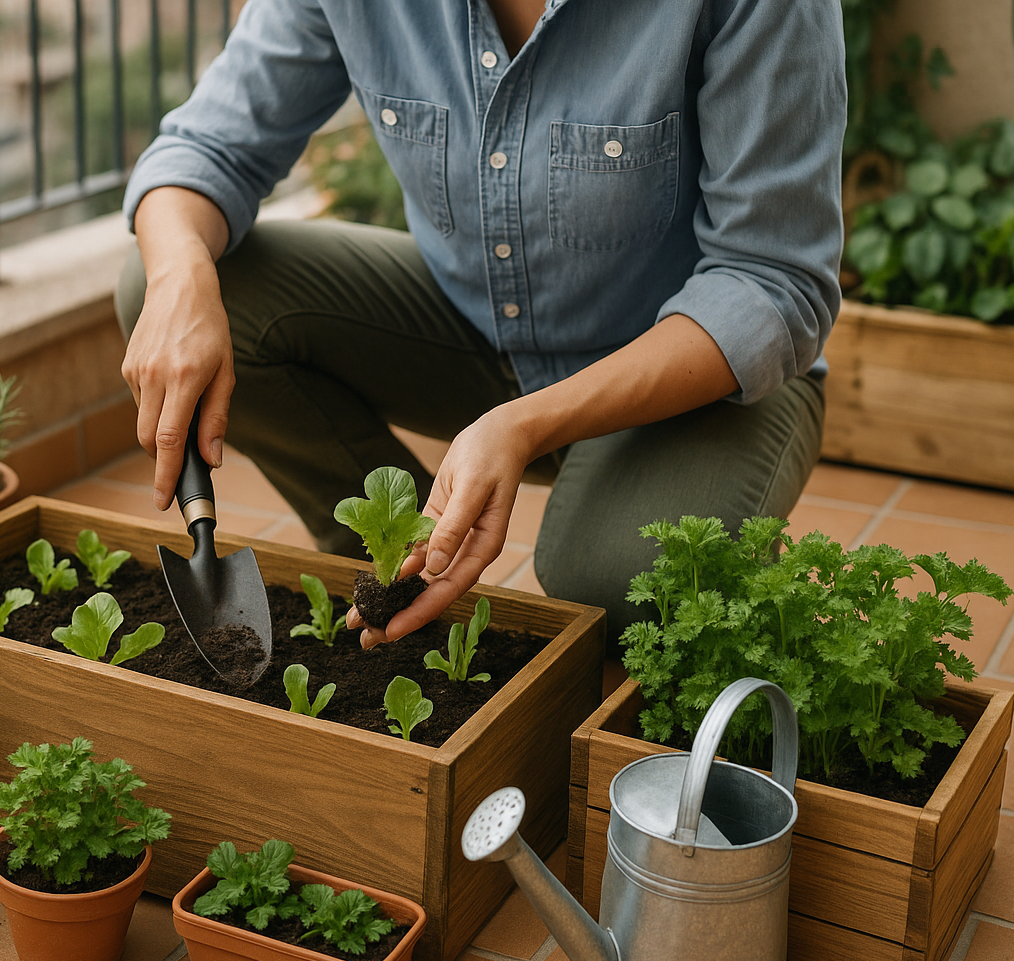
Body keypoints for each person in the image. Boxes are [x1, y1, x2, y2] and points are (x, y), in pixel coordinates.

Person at [115, 0, 844, 651]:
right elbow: (208, 148)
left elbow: (771, 281)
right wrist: (179, 281)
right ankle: (397, 570)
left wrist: (523, 426)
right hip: (475, 331)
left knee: (619, 586)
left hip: (693, 379)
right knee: (173, 284)